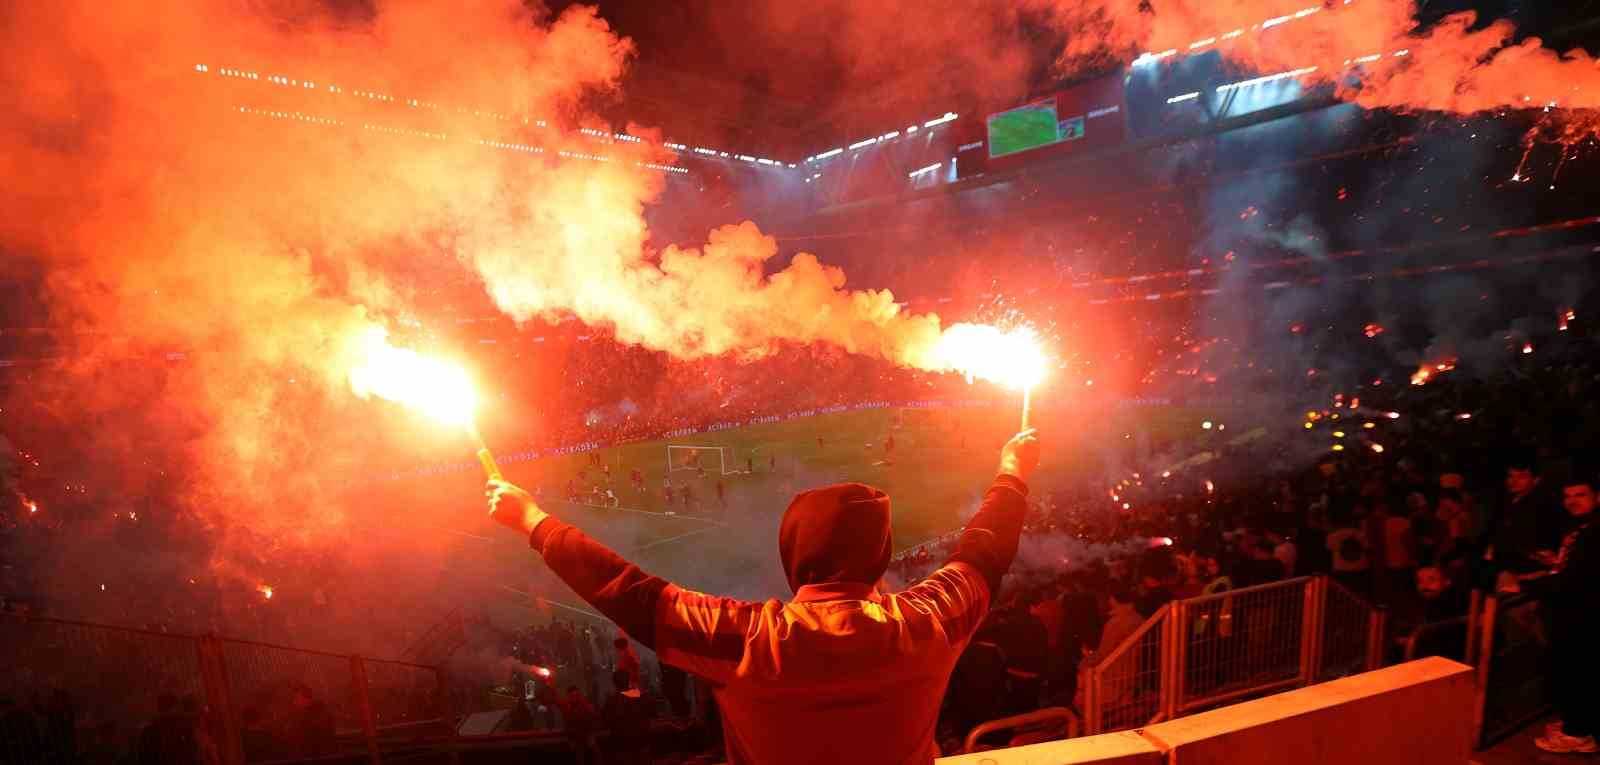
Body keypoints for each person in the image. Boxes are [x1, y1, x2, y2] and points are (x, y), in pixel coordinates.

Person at [488, 429, 1041, 764]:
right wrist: (1012, 471)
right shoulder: (928, 623)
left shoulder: (749, 641)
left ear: (794, 553)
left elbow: (632, 596)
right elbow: (984, 553)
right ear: (880, 554)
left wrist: (534, 520)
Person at [1505, 477, 1599, 754]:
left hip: (1582, 615)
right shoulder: (1583, 526)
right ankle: (1577, 724)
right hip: (1576, 612)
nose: (1572, 501)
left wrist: (1524, 585)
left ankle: (1578, 734)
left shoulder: (1595, 531)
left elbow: (1575, 580)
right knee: (1576, 671)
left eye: (1580, 494)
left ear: (1597, 495)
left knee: (1576, 671)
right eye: (1568, 495)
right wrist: (1552, 563)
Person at [603, 670, 652, 765]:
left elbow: (607, 721)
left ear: (615, 683)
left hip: (623, 744)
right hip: (641, 741)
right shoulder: (639, 695)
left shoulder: (613, 701)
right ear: (628, 681)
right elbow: (651, 711)